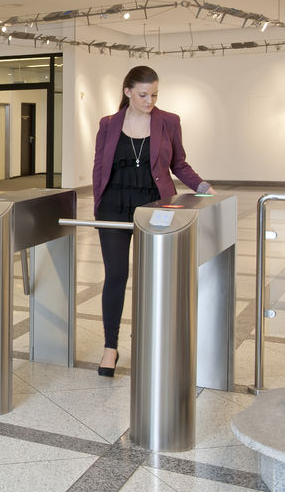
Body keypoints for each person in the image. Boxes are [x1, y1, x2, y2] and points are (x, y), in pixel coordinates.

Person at [92, 66, 214, 377]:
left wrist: (202, 187)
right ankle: (110, 347)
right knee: (116, 274)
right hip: (113, 206)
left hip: (154, 204)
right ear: (127, 92)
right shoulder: (108, 124)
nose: (150, 100)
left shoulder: (169, 121)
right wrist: (97, 206)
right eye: (144, 94)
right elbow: (99, 168)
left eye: (155, 94)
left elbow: (179, 163)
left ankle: (151, 340)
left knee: (154, 277)